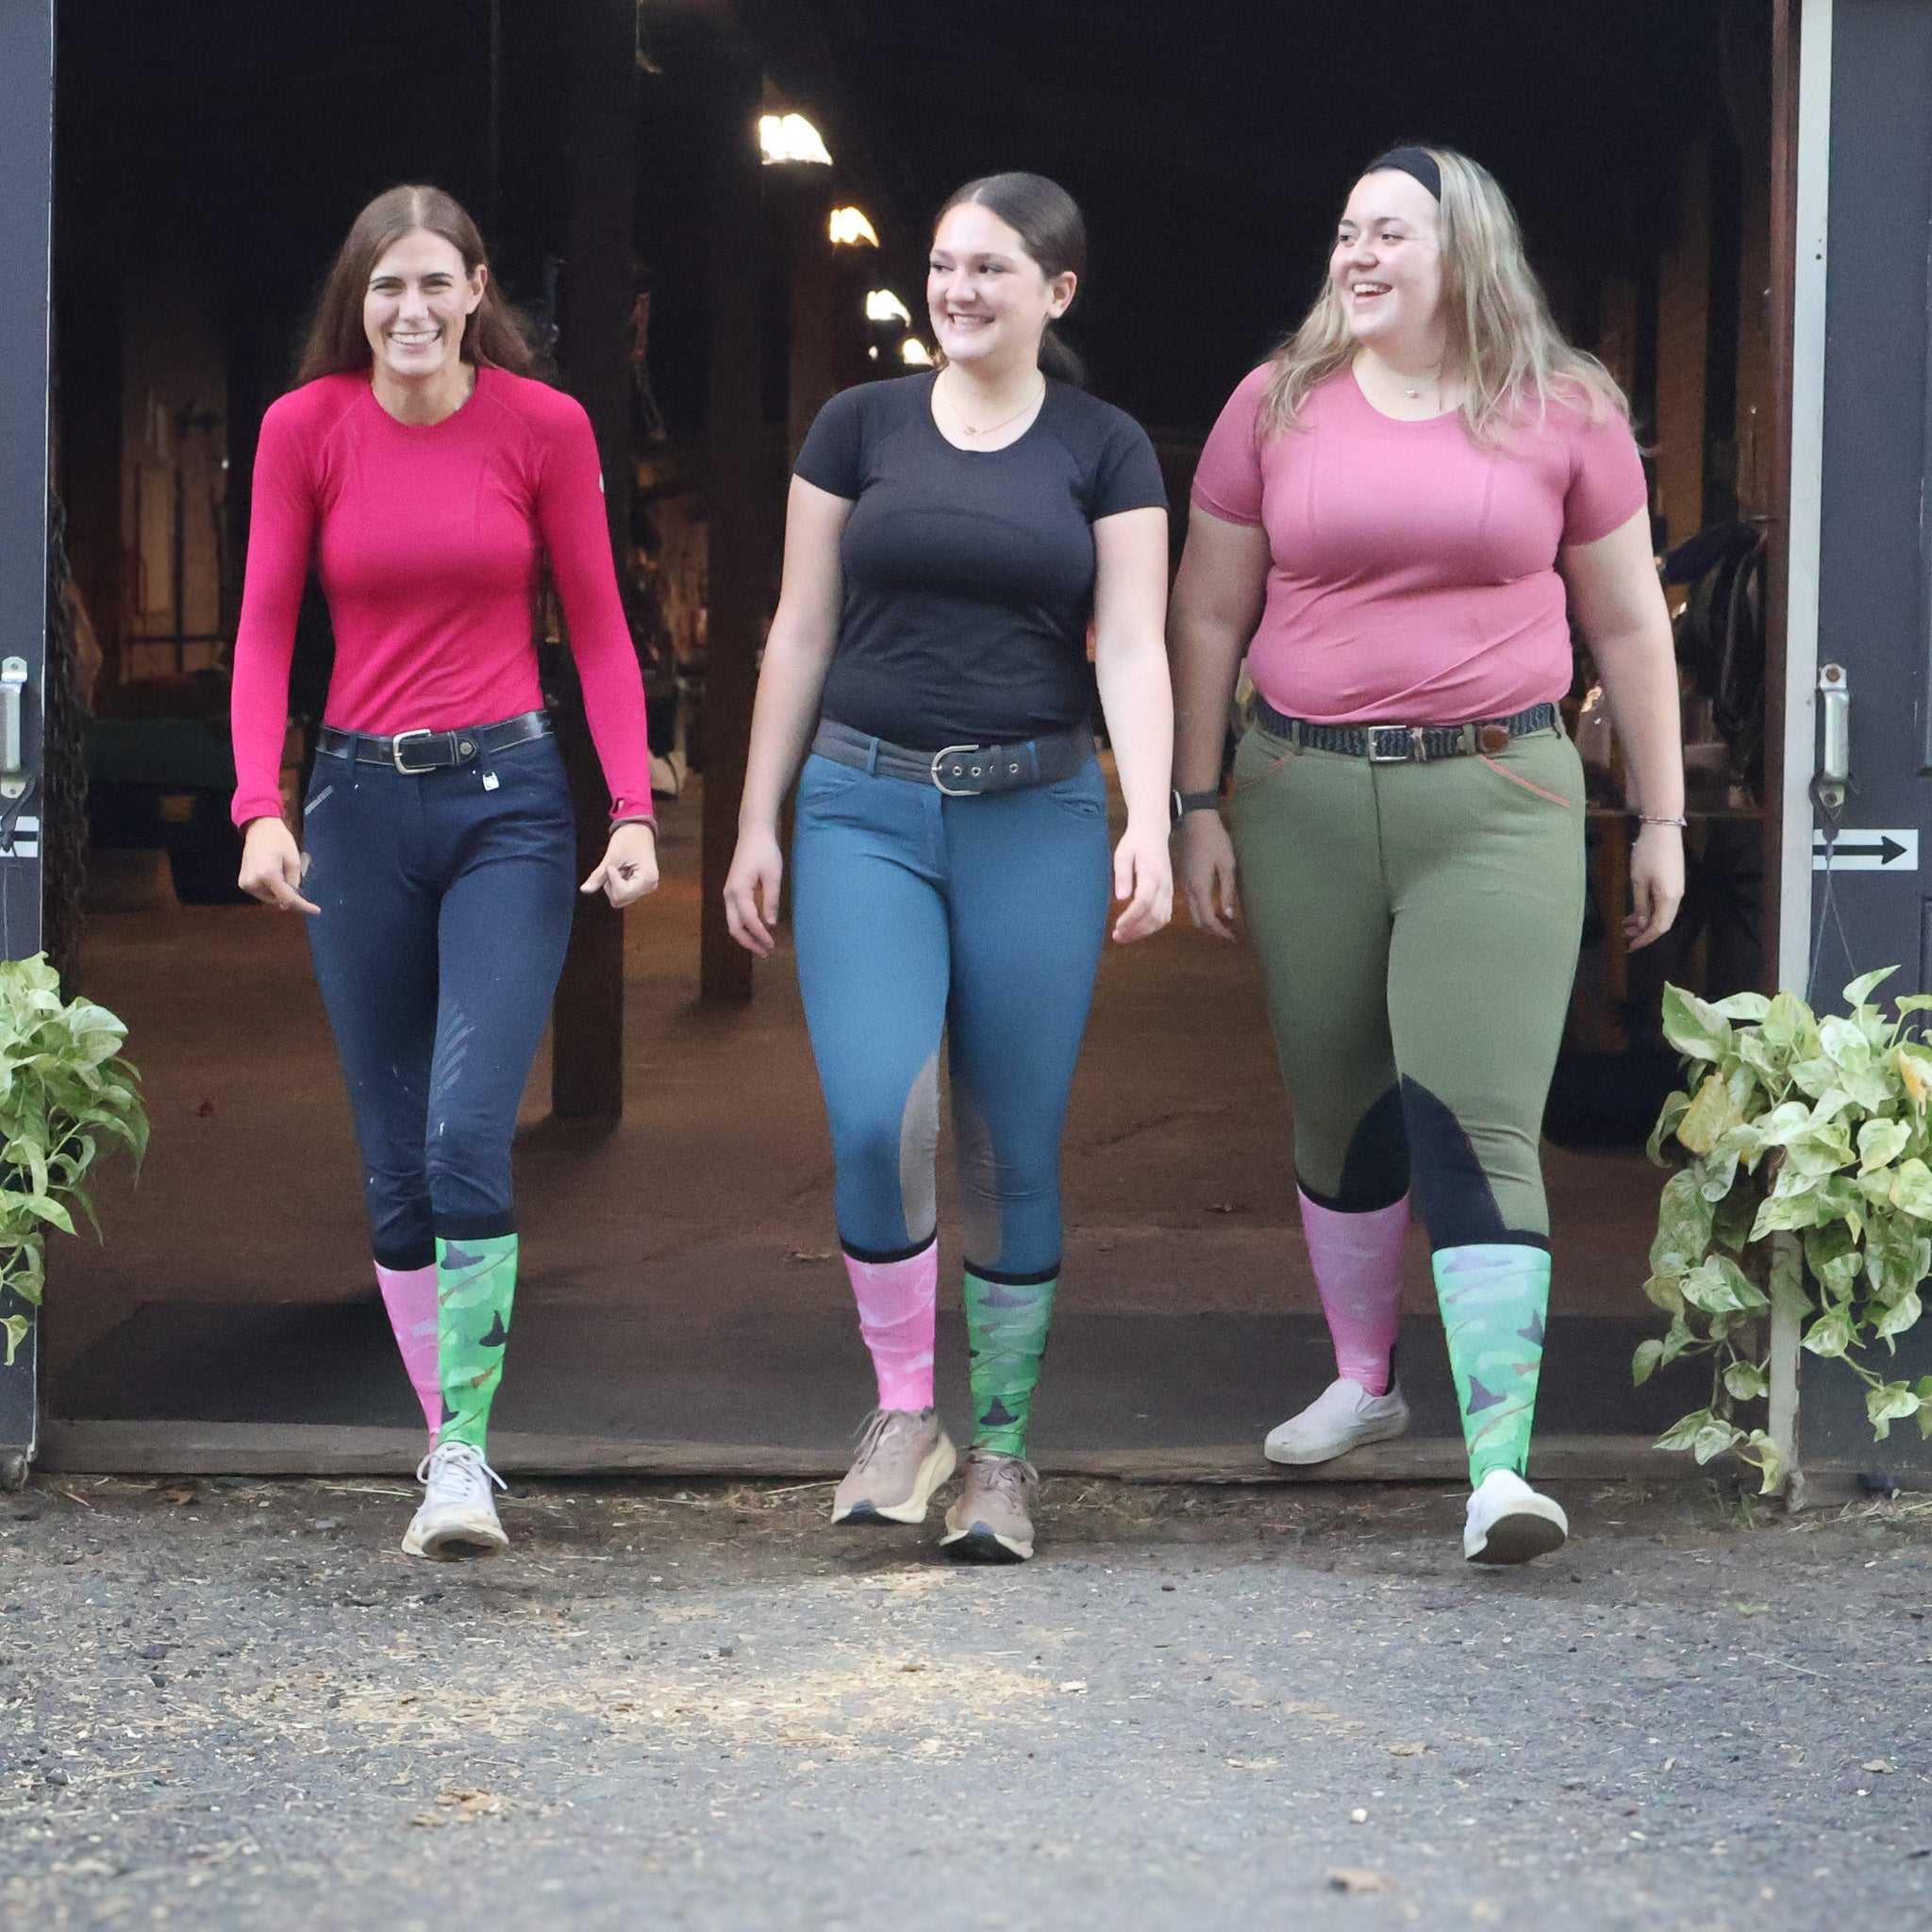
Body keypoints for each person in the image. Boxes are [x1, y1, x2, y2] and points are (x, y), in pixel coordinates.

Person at [1169, 146, 1685, 1564]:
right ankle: (1362, 1382)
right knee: (1338, 1099)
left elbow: (1633, 623)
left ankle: (1501, 1467)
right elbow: (1208, 614)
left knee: (1478, 1116)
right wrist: (1194, 798)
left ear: (1465, 250)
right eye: (1346, 232)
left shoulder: (1563, 407)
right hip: (1302, 792)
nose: (1360, 254)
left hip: (1497, 797)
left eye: (1390, 232)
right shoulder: (1274, 403)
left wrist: (1660, 817)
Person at [724, 172, 1173, 1563]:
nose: (959, 290)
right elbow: (799, 629)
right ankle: (902, 1414)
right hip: (864, 804)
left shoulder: (1107, 448)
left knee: (1008, 1139)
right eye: (943, 265)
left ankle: (1003, 1456)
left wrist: (1147, 814)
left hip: (1035, 813)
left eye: (990, 268)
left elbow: (1138, 644)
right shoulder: (859, 427)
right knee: (879, 1117)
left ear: (1059, 290)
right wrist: (756, 818)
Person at [231, 184, 658, 1559]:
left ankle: (464, 1457)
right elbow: (260, 632)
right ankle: (445, 1444)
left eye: (432, 284)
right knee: (390, 1155)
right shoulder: (308, 428)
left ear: (478, 290)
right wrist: (259, 805)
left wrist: (634, 805)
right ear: (354, 303)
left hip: (508, 805)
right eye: (382, 288)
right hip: (355, 805)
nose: (408, 312)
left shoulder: (545, 428)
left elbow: (596, 629)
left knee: (466, 1132)